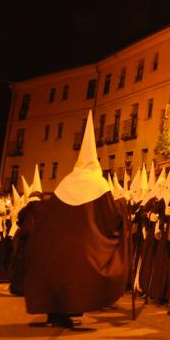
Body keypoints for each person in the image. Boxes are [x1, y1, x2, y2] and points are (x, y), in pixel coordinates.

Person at [24, 111, 128, 328]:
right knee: (76, 279)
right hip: (85, 246)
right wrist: (124, 205)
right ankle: (68, 314)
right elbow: (111, 216)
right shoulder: (99, 184)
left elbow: (47, 211)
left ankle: (54, 315)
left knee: (58, 276)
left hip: (59, 244)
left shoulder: (66, 181)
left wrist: (34, 206)